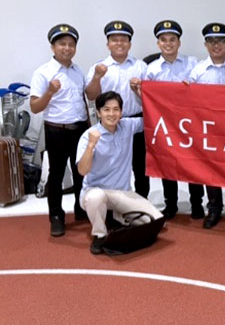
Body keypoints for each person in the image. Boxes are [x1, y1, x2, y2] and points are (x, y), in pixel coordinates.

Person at [131, 20, 203, 220]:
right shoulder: (151, 69)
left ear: (179, 42)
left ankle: (197, 203)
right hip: (165, 125)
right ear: (158, 44)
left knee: (194, 163)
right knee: (167, 163)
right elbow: (146, 100)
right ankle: (171, 204)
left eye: (172, 39)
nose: (168, 43)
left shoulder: (193, 63)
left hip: (190, 123)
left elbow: (202, 90)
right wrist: (137, 91)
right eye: (163, 40)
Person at [76, 91, 164, 255]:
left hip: (123, 192)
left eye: (116, 109)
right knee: (95, 198)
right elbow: (82, 170)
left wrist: (140, 93)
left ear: (121, 112)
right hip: (96, 192)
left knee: (156, 221)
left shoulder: (128, 126)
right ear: (99, 113)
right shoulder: (88, 137)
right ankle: (100, 235)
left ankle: (117, 217)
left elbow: (154, 116)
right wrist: (91, 146)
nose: (112, 114)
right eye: (106, 110)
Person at [30, 24, 90, 237]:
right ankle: (56, 216)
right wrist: (49, 92)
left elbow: (83, 101)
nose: (67, 48)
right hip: (56, 130)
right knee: (56, 175)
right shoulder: (43, 73)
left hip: (80, 129)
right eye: (62, 44)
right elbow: (34, 107)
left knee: (81, 172)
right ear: (53, 47)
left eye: (71, 44)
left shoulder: (78, 71)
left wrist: (89, 127)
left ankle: (81, 210)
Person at [85, 21, 149, 198]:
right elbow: (91, 95)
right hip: (109, 123)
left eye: (123, 40)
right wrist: (97, 77)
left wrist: (138, 90)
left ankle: (141, 203)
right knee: (110, 166)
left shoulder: (140, 66)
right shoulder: (99, 67)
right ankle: (112, 203)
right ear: (108, 44)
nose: (119, 43)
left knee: (141, 167)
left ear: (129, 44)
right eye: (115, 40)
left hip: (136, 122)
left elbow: (150, 99)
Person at [187, 22, 225, 229]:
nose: (216, 45)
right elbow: (187, 99)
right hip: (207, 127)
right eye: (212, 41)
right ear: (206, 45)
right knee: (210, 168)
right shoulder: (198, 70)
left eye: (221, 41)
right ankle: (214, 207)